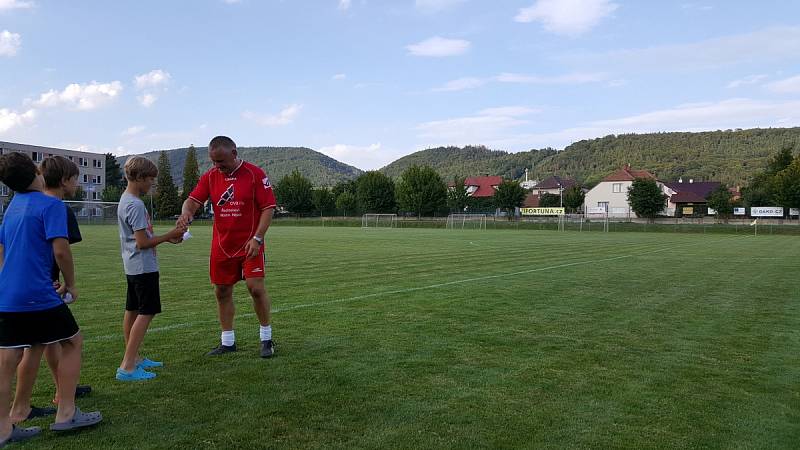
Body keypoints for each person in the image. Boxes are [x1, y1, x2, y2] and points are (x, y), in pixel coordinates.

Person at [0, 152, 101, 446]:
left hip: (8, 295)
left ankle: (5, 427)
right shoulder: (51, 205)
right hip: (37, 293)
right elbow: (60, 250)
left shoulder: (12, 206)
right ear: (35, 173)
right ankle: (66, 412)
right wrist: (71, 285)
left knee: (8, 359)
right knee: (73, 341)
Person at [177, 136, 277, 358]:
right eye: (213, 161)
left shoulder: (254, 174)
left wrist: (258, 238)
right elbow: (193, 201)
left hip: (251, 243)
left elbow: (269, 208)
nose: (217, 166)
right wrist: (186, 213)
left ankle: (266, 338)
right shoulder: (211, 177)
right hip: (222, 246)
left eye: (221, 161)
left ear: (234, 153)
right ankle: (228, 342)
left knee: (255, 288)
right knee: (221, 291)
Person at [116, 156, 185, 381]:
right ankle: (127, 366)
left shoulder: (126, 200)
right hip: (143, 267)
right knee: (146, 312)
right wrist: (170, 235)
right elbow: (142, 243)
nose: (151, 186)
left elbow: (143, 238)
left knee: (133, 310)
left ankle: (133, 358)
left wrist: (166, 239)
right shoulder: (135, 204)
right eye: (150, 181)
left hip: (133, 265)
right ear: (139, 178)